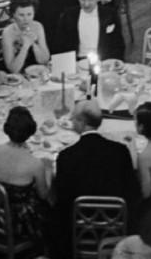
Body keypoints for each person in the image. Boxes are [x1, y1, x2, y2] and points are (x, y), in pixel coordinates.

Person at [53, 101, 140, 241]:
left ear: (82, 122)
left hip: (78, 226)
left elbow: (61, 197)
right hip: (117, 221)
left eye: (73, 118)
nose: (71, 121)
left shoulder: (66, 156)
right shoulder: (121, 151)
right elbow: (132, 189)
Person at [0, 106, 50, 248]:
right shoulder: (35, 164)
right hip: (21, 221)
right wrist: (48, 170)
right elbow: (44, 195)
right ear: (30, 132)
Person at [55, 0, 125, 61]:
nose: (86, 4)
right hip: (76, 63)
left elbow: (119, 45)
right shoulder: (68, 15)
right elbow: (60, 46)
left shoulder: (110, 14)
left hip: (103, 62)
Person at [0, 0, 51, 74]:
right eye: (21, 15)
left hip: (37, 72)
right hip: (18, 75)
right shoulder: (8, 33)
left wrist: (34, 43)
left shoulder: (37, 26)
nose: (26, 19)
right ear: (14, 15)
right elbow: (13, 69)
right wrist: (25, 46)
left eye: (29, 14)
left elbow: (44, 60)